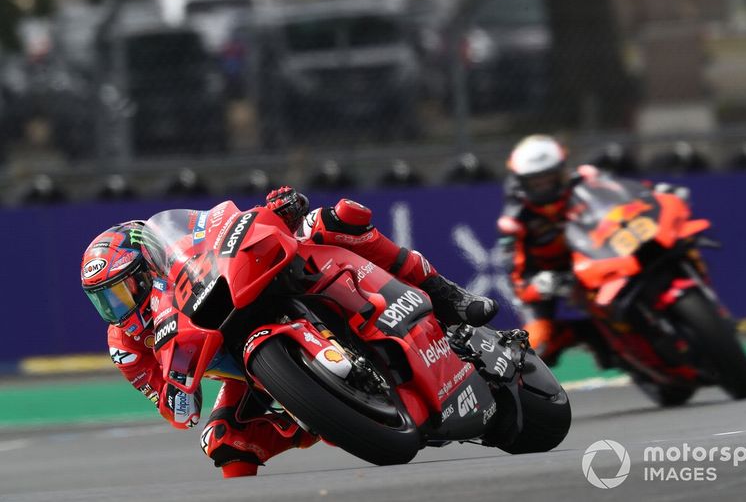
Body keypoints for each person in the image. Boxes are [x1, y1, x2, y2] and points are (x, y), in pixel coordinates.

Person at [81, 188, 498, 478]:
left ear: (147, 267)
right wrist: (177, 388)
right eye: (104, 301)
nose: (116, 309)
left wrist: (283, 208)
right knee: (221, 441)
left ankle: (445, 294)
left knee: (332, 220)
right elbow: (177, 411)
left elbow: (226, 228)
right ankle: (319, 417)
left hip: (281, 286)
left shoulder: (180, 255)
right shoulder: (128, 346)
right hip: (250, 377)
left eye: (120, 292)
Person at [496, 135, 595, 366]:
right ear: (522, 182)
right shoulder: (513, 220)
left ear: (561, 170)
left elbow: (623, 196)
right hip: (547, 278)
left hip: (597, 259)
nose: (545, 186)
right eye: (536, 182)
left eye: (549, 178)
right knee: (535, 347)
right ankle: (569, 335)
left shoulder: (586, 180)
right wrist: (537, 285)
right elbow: (515, 280)